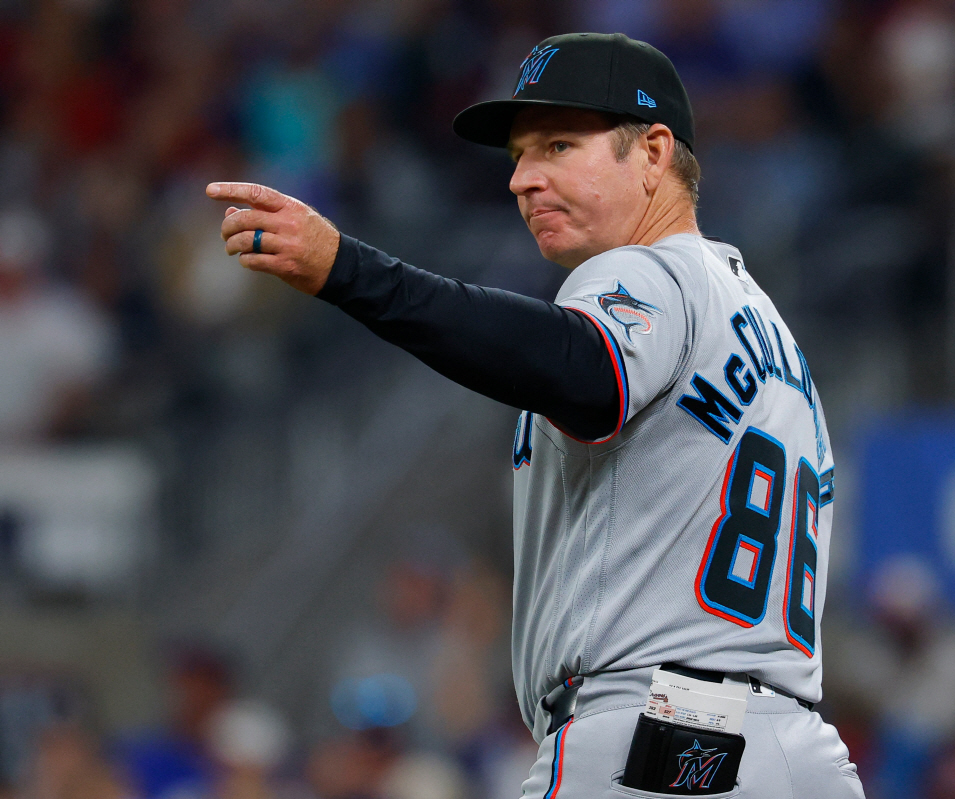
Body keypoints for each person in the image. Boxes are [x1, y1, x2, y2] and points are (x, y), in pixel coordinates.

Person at [208, 32, 861, 799]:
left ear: (653, 152)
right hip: (799, 756)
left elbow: (577, 366)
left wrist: (346, 269)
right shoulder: (769, 330)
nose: (522, 179)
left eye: (557, 144)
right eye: (519, 155)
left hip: (653, 742)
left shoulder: (646, 271)